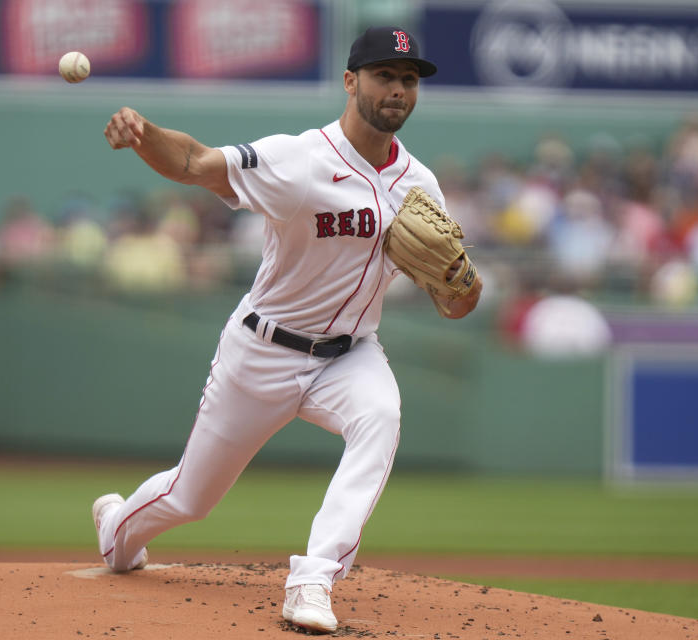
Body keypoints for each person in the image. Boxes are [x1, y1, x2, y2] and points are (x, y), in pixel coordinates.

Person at [91, 26, 483, 633]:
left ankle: (313, 578)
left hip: (350, 354)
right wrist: (144, 137)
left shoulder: (419, 186)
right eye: (385, 75)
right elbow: (198, 162)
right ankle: (117, 526)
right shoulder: (301, 159)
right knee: (191, 498)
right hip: (264, 348)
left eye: (409, 79)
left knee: (379, 419)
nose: (399, 89)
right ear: (351, 82)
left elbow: (457, 306)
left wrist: (461, 279)